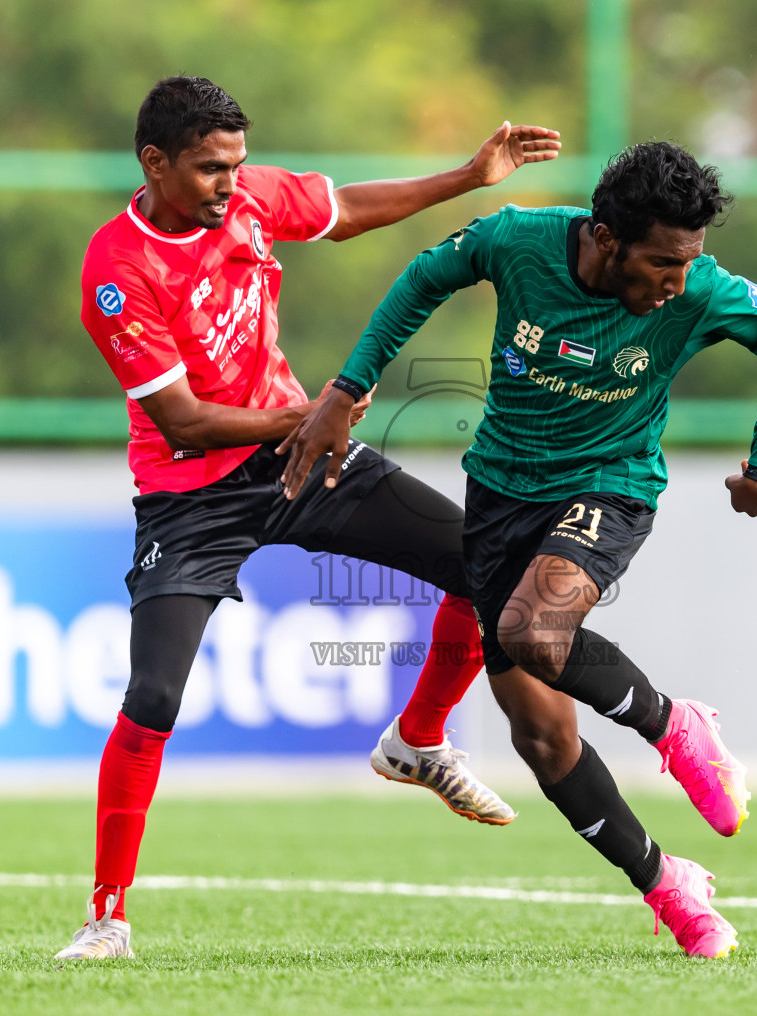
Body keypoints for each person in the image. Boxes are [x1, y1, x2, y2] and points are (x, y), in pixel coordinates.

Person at [57, 75, 561, 961]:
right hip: (193, 496)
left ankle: (419, 741)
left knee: (490, 571)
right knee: (153, 696)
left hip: (303, 463)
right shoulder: (117, 268)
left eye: (237, 165)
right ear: (155, 163)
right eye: (211, 169)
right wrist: (310, 413)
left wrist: (468, 176)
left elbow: (348, 208)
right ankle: (107, 919)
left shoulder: (247, 199)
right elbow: (181, 421)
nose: (229, 183)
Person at [279, 141, 757, 958]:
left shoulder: (695, 291)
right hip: (500, 497)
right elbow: (423, 277)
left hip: (611, 484)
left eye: (687, 263)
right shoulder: (519, 240)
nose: (675, 283)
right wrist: (347, 391)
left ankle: (677, 728)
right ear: (604, 237)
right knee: (542, 738)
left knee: (535, 630)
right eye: (661, 263)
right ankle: (668, 886)